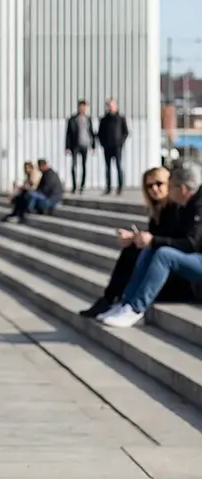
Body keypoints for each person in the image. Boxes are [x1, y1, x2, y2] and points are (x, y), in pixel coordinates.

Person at [100, 163, 202, 328]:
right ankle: (126, 302)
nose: (168, 191)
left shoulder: (198, 206)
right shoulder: (188, 205)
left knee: (163, 254)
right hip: (194, 259)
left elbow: (191, 243)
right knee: (151, 250)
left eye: (170, 187)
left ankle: (136, 308)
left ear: (182, 189)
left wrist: (153, 240)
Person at [80, 168, 178, 319]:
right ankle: (111, 298)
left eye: (159, 184)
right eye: (149, 186)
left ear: (169, 184)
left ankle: (118, 300)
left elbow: (171, 240)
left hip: (171, 267)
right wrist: (134, 237)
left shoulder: (176, 208)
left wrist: (143, 239)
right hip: (161, 258)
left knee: (136, 251)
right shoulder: (158, 210)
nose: (154, 189)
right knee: (131, 249)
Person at [98, 99, 129, 196]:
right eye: (109, 106)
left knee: (119, 166)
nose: (111, 108)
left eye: (112, 106)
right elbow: (100, 133)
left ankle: (120, 187)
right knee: (108, 168)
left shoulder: (120, 118)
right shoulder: (104, 119)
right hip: (107, 147)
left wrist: (121, 142)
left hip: (117, 147)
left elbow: (126, 132)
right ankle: (108, 187)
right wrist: (103, 143)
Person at [65, 100, 96, 194]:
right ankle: (74, 186)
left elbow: (91, 132)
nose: (82, 109)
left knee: (84, 166)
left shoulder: (88, 119)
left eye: (84, 107)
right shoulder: (73, 119)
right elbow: (68, 134)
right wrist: (67, 147)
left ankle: (82, 185)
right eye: (81, 107)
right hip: (75, 145)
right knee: (74, 165)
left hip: (85, 144)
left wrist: (93, 146)